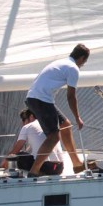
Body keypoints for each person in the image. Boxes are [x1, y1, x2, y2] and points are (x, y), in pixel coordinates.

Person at [26, 44, 89, 176]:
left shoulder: (62, 62)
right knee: (54, 137)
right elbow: (71, 96)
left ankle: (77, 164)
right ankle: (34, 170)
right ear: (82, 58)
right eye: (85, 62)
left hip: (35, 97)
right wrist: (78, 117)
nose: (83, 64)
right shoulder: (73, 69)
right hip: (41, 99)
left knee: (66, 125)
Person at [4, 109, 65, 175]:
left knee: (19, 155)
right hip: (59, 168)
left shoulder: (27, 127)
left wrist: (4, 163)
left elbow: (16, 150)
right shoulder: (48, 124)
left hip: (45, 166)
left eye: (24, 120)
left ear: (31, 117)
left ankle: (39, 171)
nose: (23, 123)